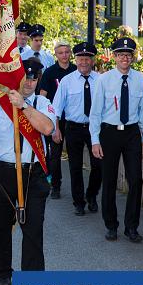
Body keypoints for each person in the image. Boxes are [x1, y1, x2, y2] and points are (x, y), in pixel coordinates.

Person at [0, 58, 56, 285]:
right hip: (0, 172)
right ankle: (3, 274)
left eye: (34, 78)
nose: (29, 82)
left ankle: (33, 280)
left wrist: (24, 106)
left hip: (33, 173)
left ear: (38, 80)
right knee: (0, 226)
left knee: (33, 227)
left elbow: (48, 128)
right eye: (25, 77)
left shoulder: (42, 102)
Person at [89, 37, 143, 243]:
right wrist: (95, 140)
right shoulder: (103, 80)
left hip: (132, 133)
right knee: (109, 179)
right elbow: (95, 112)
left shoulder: (140, 79)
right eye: (120, 54)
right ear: (114, 57)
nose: (125, 58)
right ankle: (111, 225)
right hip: (109, 133)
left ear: (132, 58)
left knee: (136, 180)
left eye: (128, 55)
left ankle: (131, 227)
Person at [52, 42, 102, 216]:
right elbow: (56, 108)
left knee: (99, 165)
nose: (83, 62)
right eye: (80, 58)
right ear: (76, 59)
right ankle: (79, 202)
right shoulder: (67, 81)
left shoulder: (101, 80)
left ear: (92, 60)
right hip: (73, 128)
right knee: (75, 167)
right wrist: (56, 129)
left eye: (87, 58)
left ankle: (92, 195)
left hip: (95, 129)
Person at [39, 41, 77, 199]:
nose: (64, 55)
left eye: (67, 52)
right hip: (56, 118)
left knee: (75, 155)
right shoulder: (50, 72)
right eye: (61, 53)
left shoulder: (76, 70)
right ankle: (55, 185)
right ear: (56, 54)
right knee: (55, 155)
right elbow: (42, 95)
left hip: (73, 118)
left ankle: (78, 190)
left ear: (70, 53)